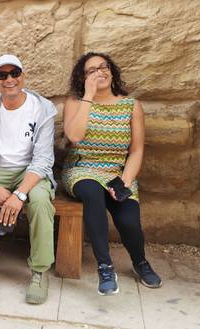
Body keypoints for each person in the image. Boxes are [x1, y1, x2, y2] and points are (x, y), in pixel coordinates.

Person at [61, 52, 161, 295]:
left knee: (128, 220)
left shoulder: (131, 106)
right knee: (92, 192)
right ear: (83, 78)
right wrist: (89, 96)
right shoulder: (75, 103)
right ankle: (105, 267)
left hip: (118, 171)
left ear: (112, 71)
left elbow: (136, 151)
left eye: (103, 67)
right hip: (81, 169)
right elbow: (74, 137)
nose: (99, 72)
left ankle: (140, 262)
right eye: (91, 70)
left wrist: (124, 182)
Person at [0, 55, 57, 305]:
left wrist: (19, 195)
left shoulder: (43, 108)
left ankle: (39, 271)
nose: (9, 80)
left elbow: (43, 160)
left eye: (14, 73)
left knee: (39, 201)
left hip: (31, 172)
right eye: (2, 75)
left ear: (23, 75)